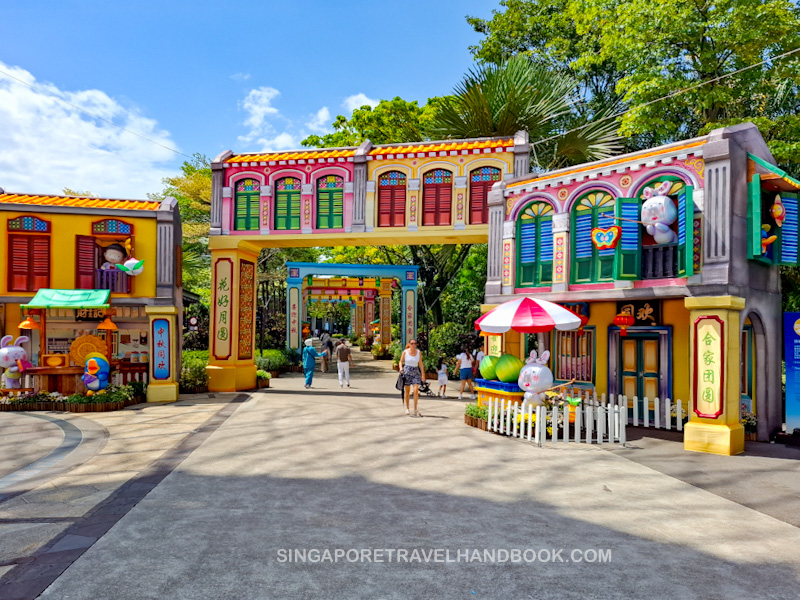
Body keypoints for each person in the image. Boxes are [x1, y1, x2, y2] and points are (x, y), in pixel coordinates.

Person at [399, 339, 424, 417]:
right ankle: (407, 408)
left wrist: (423, 374)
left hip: (415, 371)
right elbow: (400, 361)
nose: (413, 345)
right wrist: (401, 369)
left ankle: (415, 409)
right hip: (407, 371)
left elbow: (420, 363)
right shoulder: (405, 352)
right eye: (412, 343)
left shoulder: (418, 352)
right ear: (409, 344)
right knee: (407, 391)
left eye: (415, 343)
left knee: (416, 390)